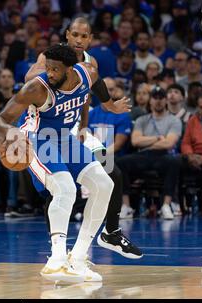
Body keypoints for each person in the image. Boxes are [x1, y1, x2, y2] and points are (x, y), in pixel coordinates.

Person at [0, 44, 131, 283]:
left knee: (104, 185)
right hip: (38, 139)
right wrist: (13, 134)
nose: (50, 73)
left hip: (66, 139)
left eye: (55, 70)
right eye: (47, 68)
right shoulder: (36, 88)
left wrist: (109, 105)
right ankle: (56, 259)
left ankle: (78, 258)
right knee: (66, 189)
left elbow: (96, 85)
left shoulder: (87, 73)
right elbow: (1, 119)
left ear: (70, 69)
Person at [26, 18, 142, 260]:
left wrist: (96, 118)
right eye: (75, 35)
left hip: (77, 130)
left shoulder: (91, 63)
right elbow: (30, 77)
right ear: (67, 35)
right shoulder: (51, 58)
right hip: (48, 131)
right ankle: (57, 248)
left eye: (84, 36)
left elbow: (87, 99)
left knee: (113, 172)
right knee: (57, 190)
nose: (79, 40)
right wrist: (47, 72)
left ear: (90, 40)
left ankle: (112, 232)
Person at [116, 86, 182, 220]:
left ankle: (166, 205)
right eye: (155, 98)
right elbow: (135, 141)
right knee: (120, 162)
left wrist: (146, 141)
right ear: (150, 101)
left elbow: (169, 143)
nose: (158, 101)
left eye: (161, 98)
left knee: (175, 162)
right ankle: (126, 206)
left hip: (162, 155)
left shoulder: (174, 120)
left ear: (165, 101)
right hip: (143, 155)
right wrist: (158, 138)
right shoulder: (142, 120)